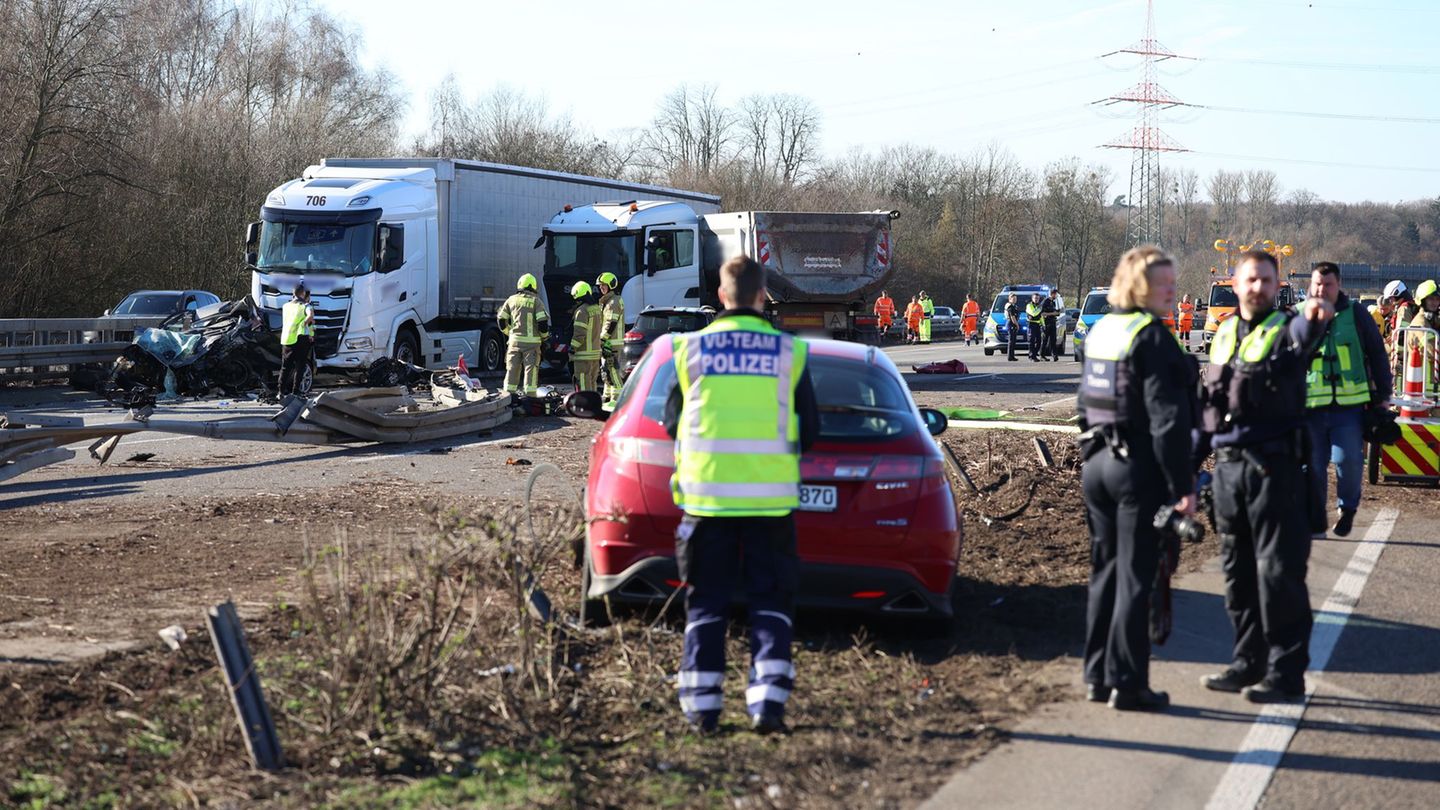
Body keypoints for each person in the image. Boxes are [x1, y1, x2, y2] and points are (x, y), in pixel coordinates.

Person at [663, 255, 819, 735]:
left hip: (707, 501)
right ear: (762, 296)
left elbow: (671, 423)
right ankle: (767, 705)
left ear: (721, 296)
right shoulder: (789, 353)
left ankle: (702, 710)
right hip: (769, 504)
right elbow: (810, 431)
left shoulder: (690, 350)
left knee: (706, 604)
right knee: (770, 602)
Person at [1198, 249, 1333, 703]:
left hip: (1275, 472)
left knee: (1278, 576)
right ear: (1235, 284)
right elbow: (1208, 409)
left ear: (1278, 287)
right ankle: (1247, 662)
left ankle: (1285, 674)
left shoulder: (1288, 328)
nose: (1257, 287)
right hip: (1228, 472)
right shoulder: (1223, 334)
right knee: (1237, 577)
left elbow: (1307, 331)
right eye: (1250, 279)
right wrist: (1185, 473)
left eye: (1266, 280)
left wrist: (1316, 315)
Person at [1078, 246, 1196, 711]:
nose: (1171, 291)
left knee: (1104, 572)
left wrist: (1091, 456)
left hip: (1097, 464)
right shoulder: (1153, 337)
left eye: (1172, 282)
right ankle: (1128, 684)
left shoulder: (1104, 330)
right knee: (1135, 578)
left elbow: (1084, 404)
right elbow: (1168, 421)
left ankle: (1096, 675)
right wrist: (1184, 487)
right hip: (1136, 469)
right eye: (1161, 284)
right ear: (1138, 286)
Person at [1304, 263, 1393, 539]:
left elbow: (1377, 353)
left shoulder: (1356, 314)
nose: (1322, 290)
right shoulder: (1298, 315)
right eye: (1317, 284)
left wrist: (1384, 396)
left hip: (1348, 408)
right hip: (1310, 409)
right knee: (1313, 467)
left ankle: (1347, 508)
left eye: (1328, 284)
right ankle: (1316, 518)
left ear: (1339, 285)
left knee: (1349, 462)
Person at [497, 273, 549, 396]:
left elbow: (501, 319)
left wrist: (509, 332)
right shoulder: (536, 302)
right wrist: (544, 337)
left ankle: (508, 397)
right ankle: (530, 398)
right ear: (533, 286)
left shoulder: (511, 300)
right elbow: (542, 323)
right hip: (532, 345)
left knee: (512, 370)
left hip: (514, 343)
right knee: (530, 371)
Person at [278, 284, 315, 398]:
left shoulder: (286, 306)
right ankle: (296, 391)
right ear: (303, 294)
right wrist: (304, 323)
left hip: (287, 339)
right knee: (300, 366)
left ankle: (280, 392)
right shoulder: (306, 306)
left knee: (285, 367)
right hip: (301, 339)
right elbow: (310, 316)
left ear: (293, 293)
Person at [596, 271, 625, 408]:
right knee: (606, 371)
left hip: (611, 343)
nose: (601, 287)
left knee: (613, 371)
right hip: (609, 342)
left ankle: (618, 399)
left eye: (603, 285)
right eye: (600, 285)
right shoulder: (608, 301)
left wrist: (603, 339)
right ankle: (607, 397)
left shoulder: (613, 302)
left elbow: (611, 323)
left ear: (611, 285)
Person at [568, 281, 603, 393]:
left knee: (583, 382)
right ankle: (593, 402)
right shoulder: (596, 309)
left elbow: (580, 334)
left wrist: (572, 348)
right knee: (592, 382)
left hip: (583, 355)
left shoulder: (581, 311)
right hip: (595, 353)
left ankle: (585, 402)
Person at [1041, 288, 1061, 360]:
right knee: (1045, 340)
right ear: (1052, 294)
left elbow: (1054, 312)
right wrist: (1052, 313)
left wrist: (1057, 313)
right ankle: (1042, 355)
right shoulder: (1046, 302)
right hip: (1046, 323)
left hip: (1053, 322)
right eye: (1055, 294)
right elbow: (1042, 313)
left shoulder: (1053, 302)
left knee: (1053, 340)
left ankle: (1054, 355)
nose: (1056, 296)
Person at [1026, 292, 1045, 361]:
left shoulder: (1039, 306)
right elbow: (1034, 314)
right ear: (1032, 298)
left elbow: (1040, 316)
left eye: (1037, 298)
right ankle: (1032, 356)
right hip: (1031, 324)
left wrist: (1043, 325)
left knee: (1039, 341)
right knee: (1031, 341)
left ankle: (1034, 353)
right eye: (1035, 298)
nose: (1036, 299)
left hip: (1037, 325)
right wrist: (1040, 308)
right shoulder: (1029, 305)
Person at [1005, 293, 1021, 361]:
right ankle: (1010, 357)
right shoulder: (1010, 307)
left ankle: (1012, 356)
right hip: (1011, 323)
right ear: (1009, 299)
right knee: (1011, 341)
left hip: (1012, 323)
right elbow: (1012, 317)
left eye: (1015, 299)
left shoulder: (1014, 306)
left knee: (1013, 341)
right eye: (1013, 299)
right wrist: (1017, 325)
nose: (1015, 300)